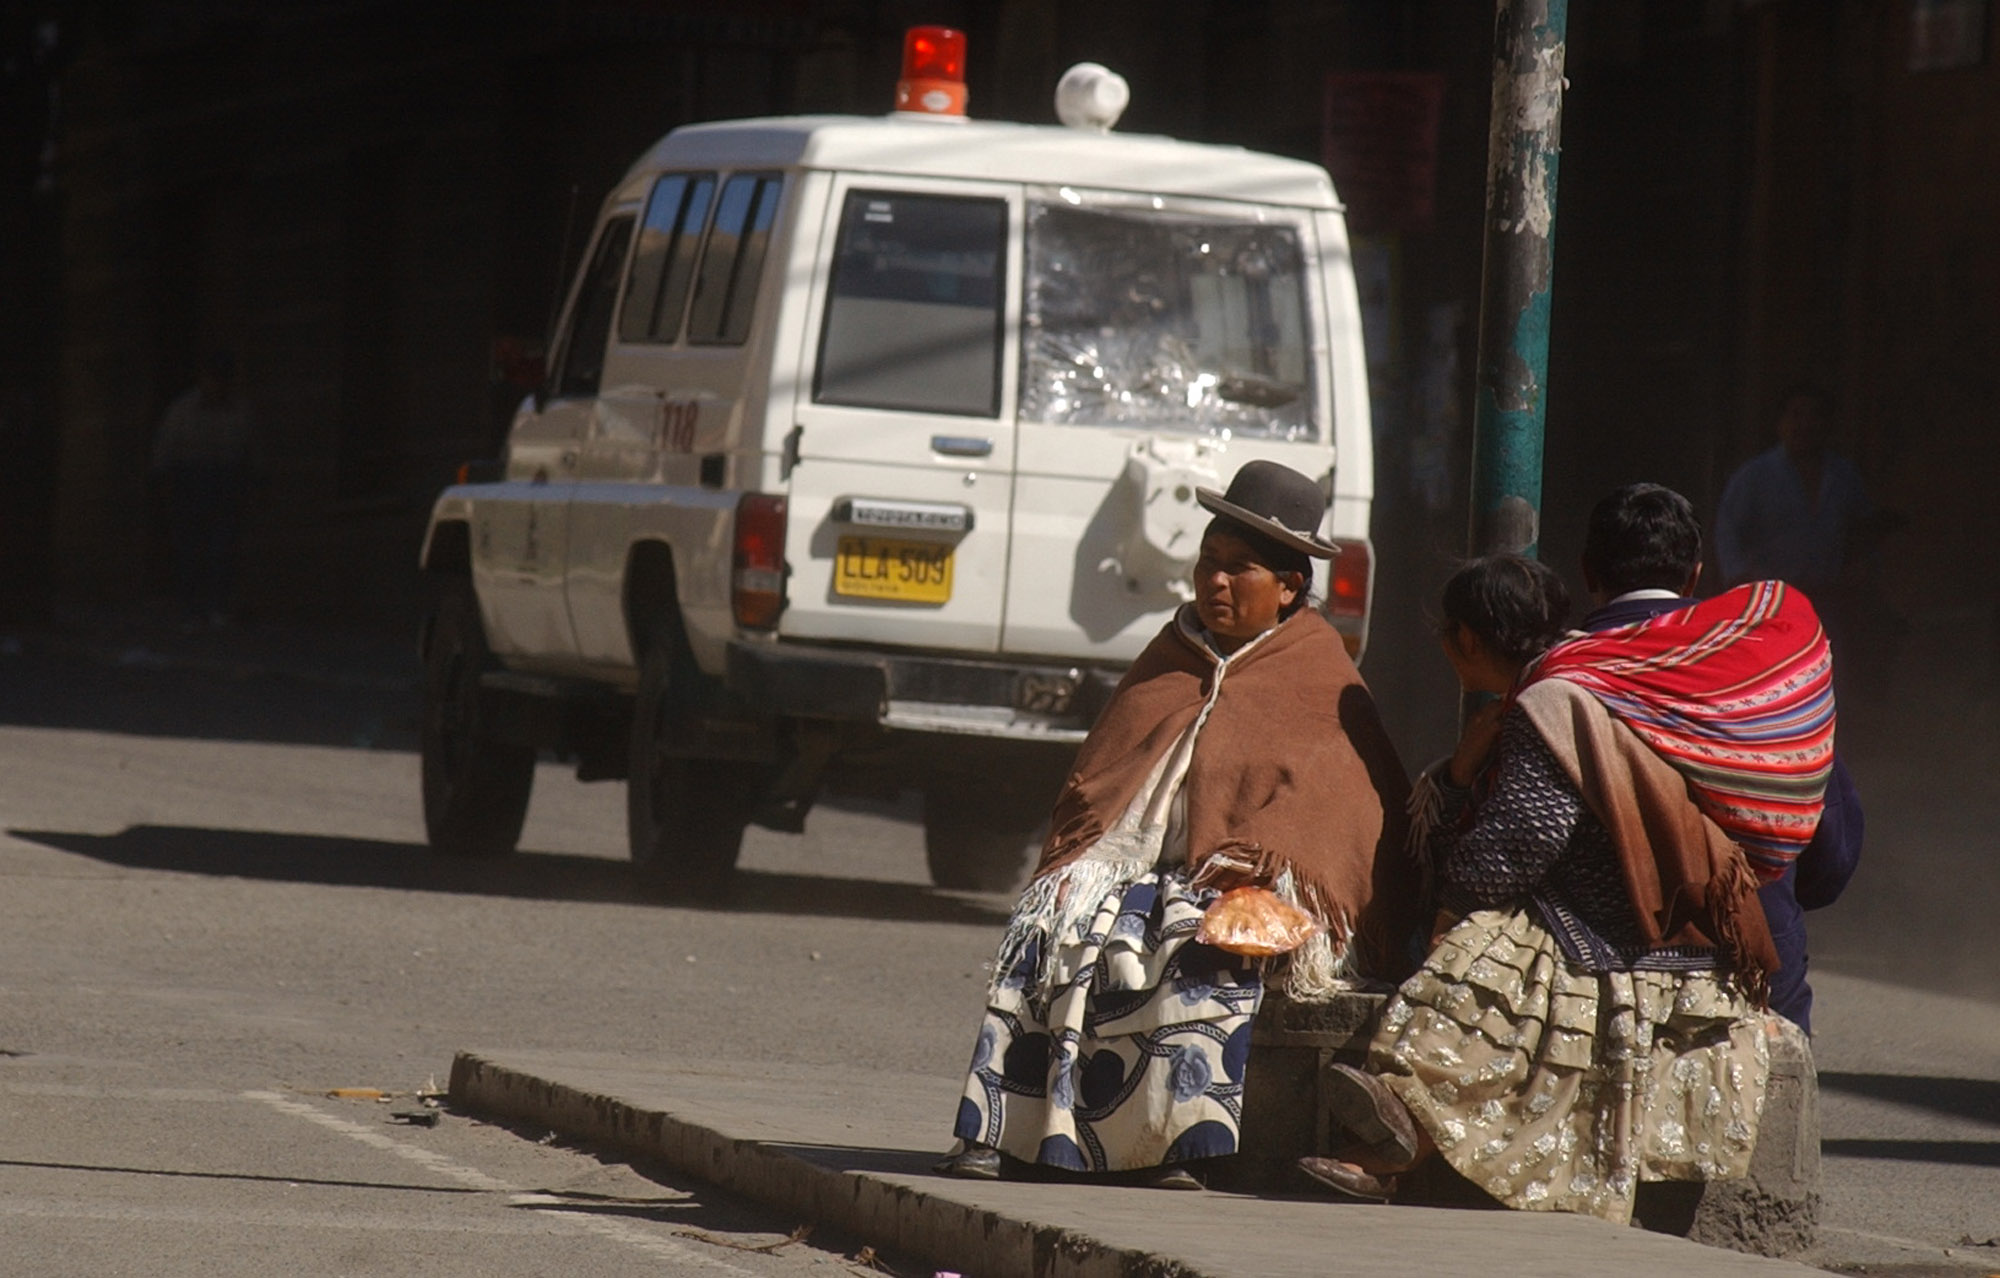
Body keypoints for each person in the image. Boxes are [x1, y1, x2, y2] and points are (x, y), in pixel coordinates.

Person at [937, 460, 1418, 1190]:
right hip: (1128, 866)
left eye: (1239, 571)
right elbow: (1099, 785)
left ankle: (1170, 1146)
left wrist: (1263, 877)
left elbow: (1342, 810)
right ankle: (998, 1134)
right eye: (1208, 564)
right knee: (1057, 928)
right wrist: (1090, 874)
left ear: (1290, 588)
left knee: (1190, 941)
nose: (1214, 583)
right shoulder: (1169, 657)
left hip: (1238, 882)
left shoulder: (1321, 677)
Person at [1298, 553, 1802, 1223]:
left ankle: (1403, 1126)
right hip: (1656, 915)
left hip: (1613, 925)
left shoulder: (1552, 701)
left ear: (1466, 640)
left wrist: (1454, 890)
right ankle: (1398, 1126)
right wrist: (1461, 776)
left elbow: (1523, 841)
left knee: (1475, 957)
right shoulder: (1588, 677)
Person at [1580, 483, 1861, 1034]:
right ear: (1694, 575)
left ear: (1589, 572)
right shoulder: (1770, 666)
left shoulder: (1560, 678)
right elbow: (1830, 854)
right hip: (1759, 985)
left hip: (1598, 995)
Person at [151, 351, 253, 627]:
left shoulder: (239, 410)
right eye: (214, 379)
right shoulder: (183, 409)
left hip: (226, 481)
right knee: (189, 548)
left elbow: (248, 450)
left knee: (222, 548)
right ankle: (190, 608)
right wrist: (167, 485)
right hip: (190, 481)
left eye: (224, 379)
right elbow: (165, 449)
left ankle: (216, 606)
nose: (218, 386)